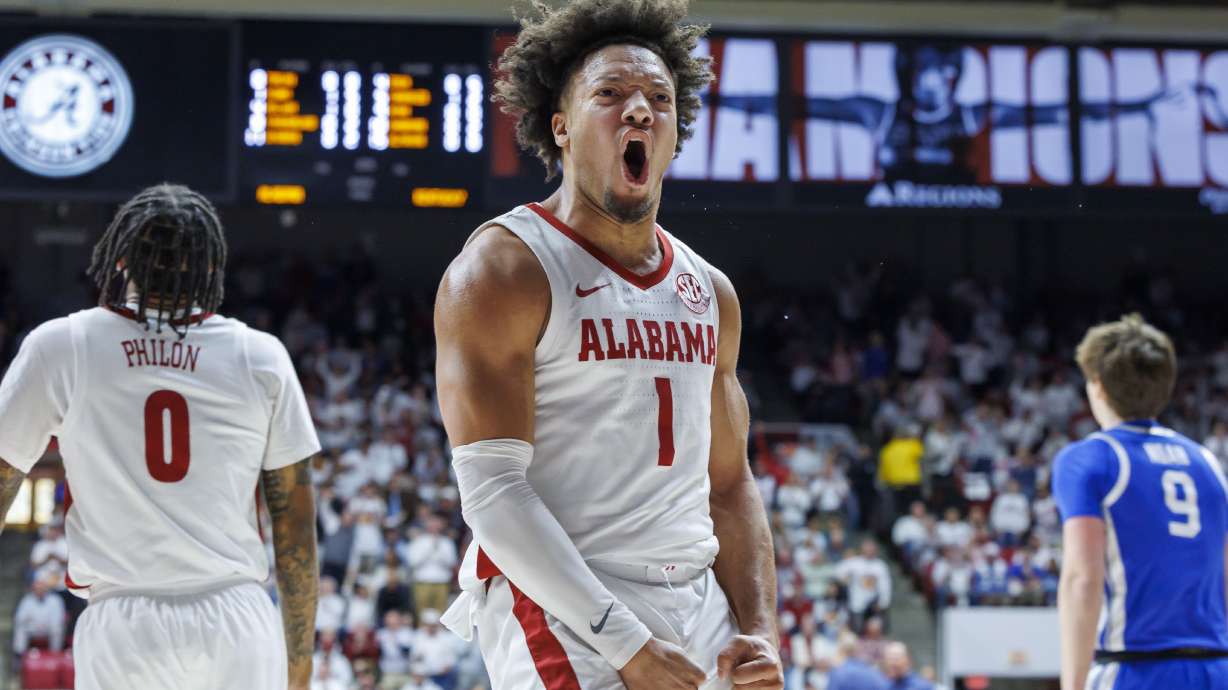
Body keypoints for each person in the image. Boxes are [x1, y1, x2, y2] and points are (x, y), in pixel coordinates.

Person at [434, 2, 781, 689]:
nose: (640, 111)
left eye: (660, 99)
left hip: (696, 595)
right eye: (611, 93)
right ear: (561, 126)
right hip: (562, 598)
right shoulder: (505, 269)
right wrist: (626, 643)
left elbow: (729, 483)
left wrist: (761, 629)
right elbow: (493, 490)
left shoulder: (710, 292)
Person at [0, 184, 320, 690]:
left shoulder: (62, 346)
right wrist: (298, 669)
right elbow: (295, 528)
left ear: (120, 258)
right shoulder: (260, 355)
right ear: (212, 267)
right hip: (237, 617)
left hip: (123, 621)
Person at [1054, 314, 1228, 690]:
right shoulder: (1207, 462)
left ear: (1098, 386)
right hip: (1215, 669)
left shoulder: (1090, 458)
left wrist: (1073, 684)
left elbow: (1082, 578)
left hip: (1136, 667)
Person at [12, 577, 66, 655]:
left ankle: (55, 653)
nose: (39, 590)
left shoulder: (55, 600)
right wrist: (32, 622)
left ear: (46, 588)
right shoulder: (27, 600)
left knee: (57, 629)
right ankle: (20, 655)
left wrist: (45, 624)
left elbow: (58, 618)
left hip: (48, 627)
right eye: (37, 588)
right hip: (32, 627)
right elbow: (20, 618)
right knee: (20, 629)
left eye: (41, 588)